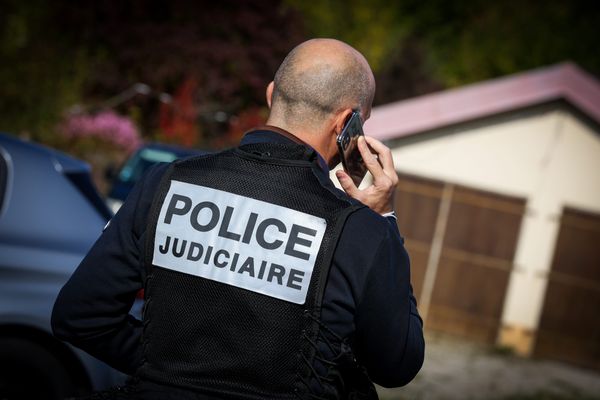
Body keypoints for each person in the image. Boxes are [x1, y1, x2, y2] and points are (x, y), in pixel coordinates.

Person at [52, 38, 424, 399]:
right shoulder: (360, 230)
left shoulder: (165, 183)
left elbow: (81, 316)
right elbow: (397, 364)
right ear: (347, 123)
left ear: (270, 93)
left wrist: (169, 370)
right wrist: (383, 218)